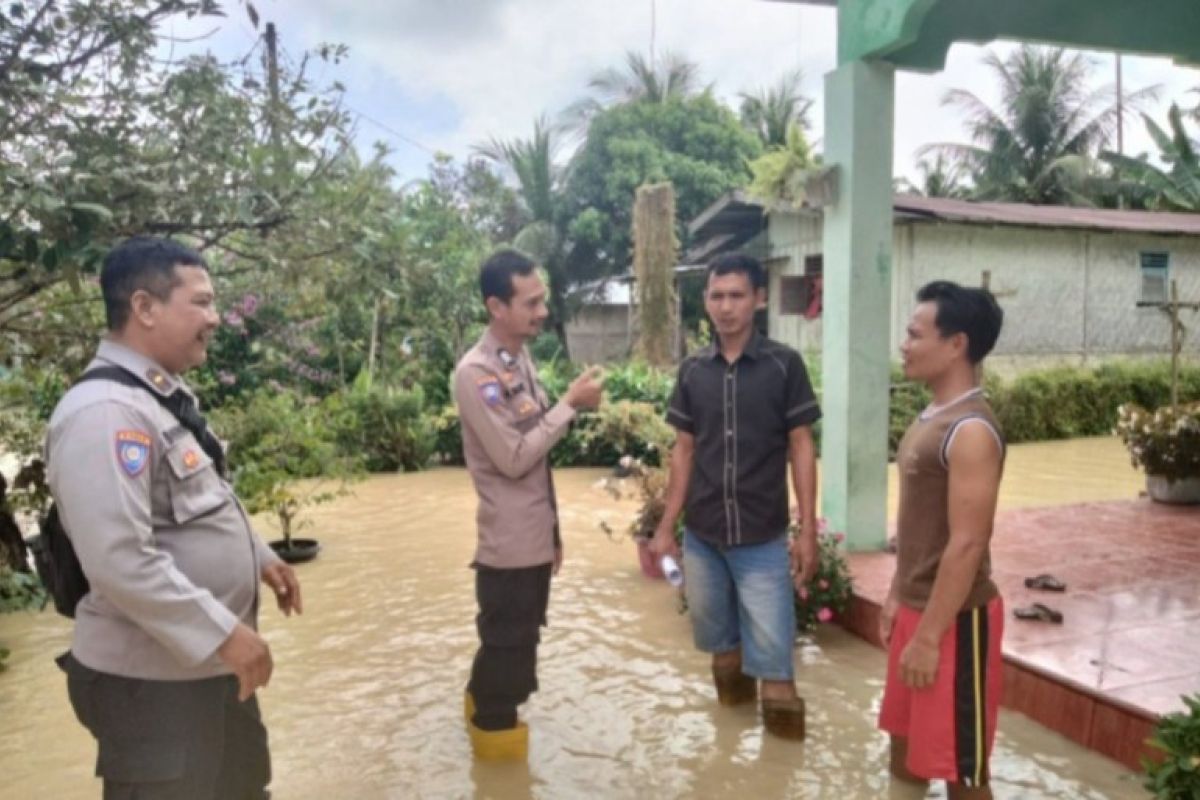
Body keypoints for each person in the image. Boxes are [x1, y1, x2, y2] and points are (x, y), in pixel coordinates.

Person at [46, 237, 302, 799]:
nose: (215, 318)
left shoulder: (158, 399)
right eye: (203, 303)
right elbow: (120, 561)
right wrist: (223, 634)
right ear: (144, 307)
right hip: (152, 686)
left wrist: (259, 556)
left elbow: (198, 501)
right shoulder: (106, 414)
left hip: (203, 670)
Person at [649, 252, 821, 741]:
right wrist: (666, 527)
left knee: (777, 665)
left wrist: (807, 532)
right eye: (717, 296)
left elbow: (801, 447)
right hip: (703, 540)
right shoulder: (692, 371)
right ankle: (731, 760)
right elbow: (683, 451)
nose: (726, 307)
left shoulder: (783, 366)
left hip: (762, 541)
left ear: (759, 300)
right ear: (705, 301)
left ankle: (781, 772)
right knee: (722, 651)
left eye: (737, 296)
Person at [453, 249, 604, 761]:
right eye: (532, 301)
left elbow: (539, 463)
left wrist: (554, 536)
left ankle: (483, 719)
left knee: (514, 654)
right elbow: (515, 458)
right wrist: (570, 405)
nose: (542, 311)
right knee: (508, 665)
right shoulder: (475, 374)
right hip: (507, 551)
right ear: (497, 306)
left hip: (532, 543)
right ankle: (497, 769)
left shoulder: (517, 361)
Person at [878, 280, 1006, 800]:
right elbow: (920, 529)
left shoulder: (971, 429)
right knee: (907, 754)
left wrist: (930, 636)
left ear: (956, 344)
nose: (905, 345)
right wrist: (896, 594)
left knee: (961, 769)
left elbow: (968, 545)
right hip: (919, 607)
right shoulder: (933, 417)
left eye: (914, 334)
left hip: (956, 621)